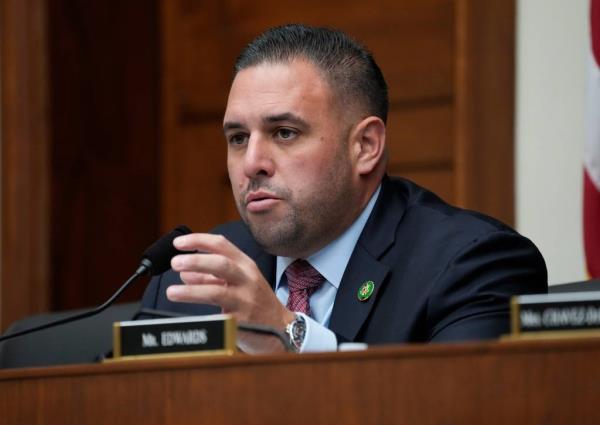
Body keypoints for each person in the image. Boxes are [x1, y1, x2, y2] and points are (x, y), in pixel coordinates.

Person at [141, 24, 547, 353]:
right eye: (238, 138)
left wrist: (287, 332)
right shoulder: (190, 279)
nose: (251, 164)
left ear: (365, 147)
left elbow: (457, 407)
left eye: (284, 132)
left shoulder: (473, 265)